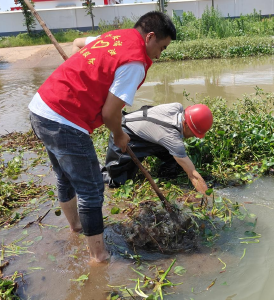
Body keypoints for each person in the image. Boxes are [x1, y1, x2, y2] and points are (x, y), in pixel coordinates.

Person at [28, 11, 176, 263]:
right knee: (92, 189)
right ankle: (99, 257)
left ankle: (76, 229)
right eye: (161, 47)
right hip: (65, 120)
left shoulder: (114, 36)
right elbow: (110, 113)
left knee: (64, 177)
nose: (159, 55)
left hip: (40, 107)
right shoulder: (135, 63)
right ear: (150, 36)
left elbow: (77, 43)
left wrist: (82, 73)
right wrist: (119, 135)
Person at [102, 103, 213, 195]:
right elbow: (192, 173)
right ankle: (90, 168)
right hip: (124, 134)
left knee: (176, 159)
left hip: (148, 133)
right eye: (193, 133)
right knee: (118, 182)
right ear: (186, 124)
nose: (193, 136)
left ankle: (164, 177)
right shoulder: (171, 137)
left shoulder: (177, 107)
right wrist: (207, 196)